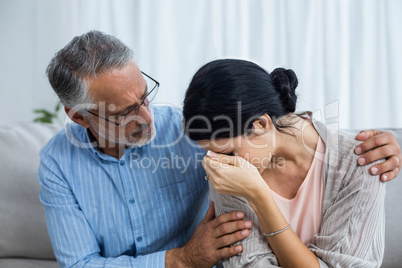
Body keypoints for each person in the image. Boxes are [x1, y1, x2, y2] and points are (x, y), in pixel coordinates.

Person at [38, 31, 400, 268]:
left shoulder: (191, 130)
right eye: (126, 112)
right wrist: (179, 260)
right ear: (80, 118)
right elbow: (79, 264)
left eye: (145, 95)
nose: (148, 117)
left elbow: (267, 122)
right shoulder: (57, 163)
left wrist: (382, 145)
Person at [182, 59, 400, 267]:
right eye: (210, 153)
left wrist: (259, 197)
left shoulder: (360, 161)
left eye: (228, 152)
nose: (217, 164)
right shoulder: (230, 173)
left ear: (261, 124)